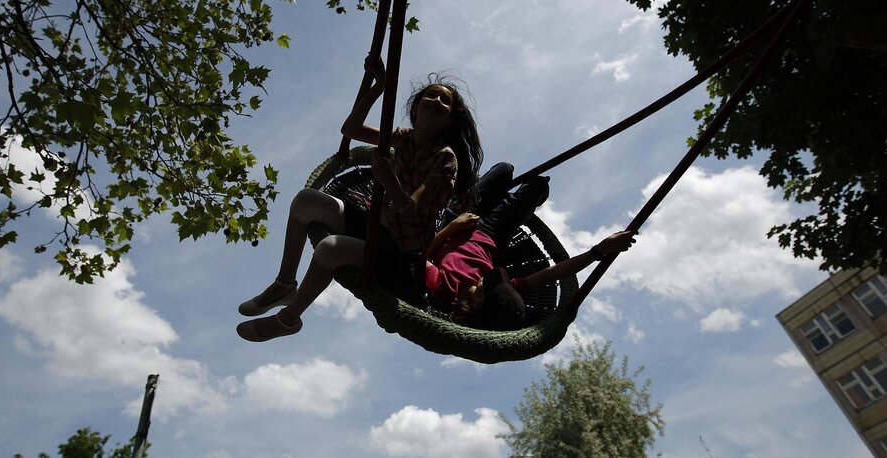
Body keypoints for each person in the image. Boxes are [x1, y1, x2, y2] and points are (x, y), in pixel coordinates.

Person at [236, 59, 483, 342]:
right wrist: (378, 88)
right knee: (306, 201)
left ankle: (288, 320)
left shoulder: (445, 159)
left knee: (330, 248)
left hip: (398, 252)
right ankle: (284, 283)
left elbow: (410, 210)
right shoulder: (403, 138)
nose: (437, 101)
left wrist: (388, 181)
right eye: (431, 95)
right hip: (374, 225)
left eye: (445, 100)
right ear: (416, 108)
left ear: (449, 120)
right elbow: (351, 129)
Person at [424, 163, 637, 329]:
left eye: (490, 284)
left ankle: (508, 204)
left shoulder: (444, 289)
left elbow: (423, 256)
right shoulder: (505, 289)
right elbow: (555, 272)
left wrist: (453, 226)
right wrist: (599, 250)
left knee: (503, 171)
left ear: (478, 304)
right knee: (535, 184)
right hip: (494, 234)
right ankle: (519, 203)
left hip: (458, 222)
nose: (490, 279)